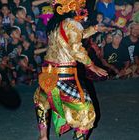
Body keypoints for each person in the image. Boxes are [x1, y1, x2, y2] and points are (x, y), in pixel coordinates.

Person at [33, 0, 108, 140]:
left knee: (42, 101)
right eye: (80, 5)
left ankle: (43, 137)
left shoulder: (55, 24)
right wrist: (92, 65)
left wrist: (95, 29)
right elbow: (76, 49)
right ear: (72, 6)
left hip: (47, 74)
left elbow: (75, 35)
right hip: (62, 78)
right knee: (87, 112)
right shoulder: (72, 24)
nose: (82, 7)